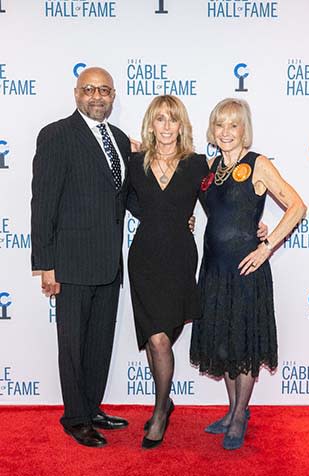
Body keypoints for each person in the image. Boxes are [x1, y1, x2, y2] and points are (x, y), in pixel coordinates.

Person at [190, 98, 306, 450]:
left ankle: (241, 414)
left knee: (243, 342)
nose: (226, 132)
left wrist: (266, 245)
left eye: (233, 125)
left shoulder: (258, 164)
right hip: (213, 269)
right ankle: (231, 410)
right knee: (224, 344)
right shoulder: (209, 170)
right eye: (220, 125)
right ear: (213, 129)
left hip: (245, 269)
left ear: (244, 130)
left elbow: (297, 206)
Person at [31, 67, 130, 447]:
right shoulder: (56, 135)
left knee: (99, 343)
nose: (97, 96)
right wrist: (46, 264)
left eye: (104, 90)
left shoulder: (120, 140)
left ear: (114, 95)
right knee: (72, 345)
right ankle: (74, 417)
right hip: (70, 265)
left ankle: (91, 408)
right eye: (89, 89)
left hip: (108, 264)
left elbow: (126, 197)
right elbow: (43, 204)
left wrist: (175, 214)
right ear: (76, 94)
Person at [128, 95, 210, 449]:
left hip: (178, 258)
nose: (165, 126)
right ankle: (161, 411)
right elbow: (121, 202)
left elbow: (221, 204)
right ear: (151, 124)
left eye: (172, 120)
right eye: (159, 119)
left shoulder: (196, 165)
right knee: (157, 338)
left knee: (161, 336)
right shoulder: (134, 163)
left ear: (181, 126)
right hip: (144, 258)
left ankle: (163, 404)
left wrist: (255, 225)